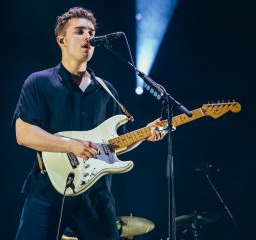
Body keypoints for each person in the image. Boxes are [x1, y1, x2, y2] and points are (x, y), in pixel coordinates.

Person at [12, 6, 165, 240]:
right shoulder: (39, 82)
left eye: (91, 32)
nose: (88, 37)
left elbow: (117, 145)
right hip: (47, 191)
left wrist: (145, 133)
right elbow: (23, 134)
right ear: (61, 40)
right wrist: (70, 145)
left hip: (96, 197)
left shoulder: (106, 90)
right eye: (80, 31)